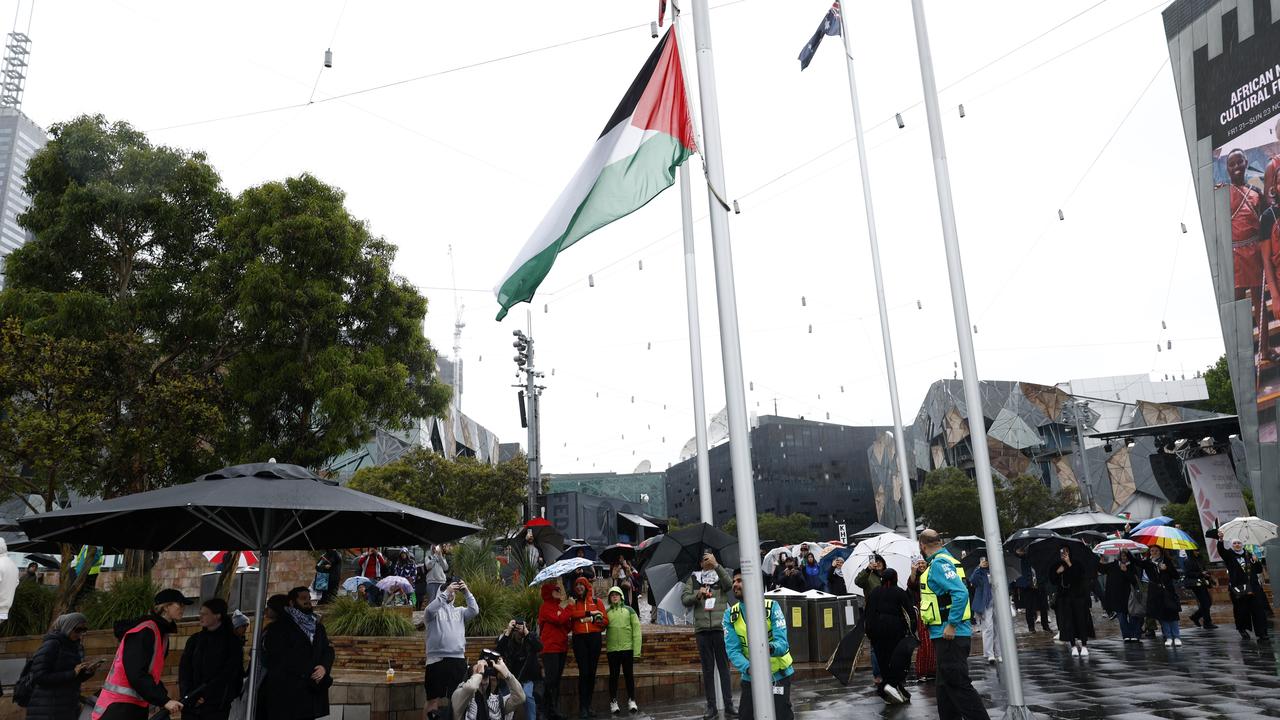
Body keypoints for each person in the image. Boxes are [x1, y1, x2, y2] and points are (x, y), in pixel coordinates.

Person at [918, 529, 990, 720]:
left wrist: (952, 624)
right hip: (947, 635)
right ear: (940, 542)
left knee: (958, 685)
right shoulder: (947, 560)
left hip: (949, 635)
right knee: (944, 688)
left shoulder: (939, 564)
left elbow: (960, 593)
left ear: (922, 546)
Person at [92, 588, 188, 720]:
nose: (183, 608)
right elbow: (136, 673)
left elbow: (151, 675)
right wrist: (164, 700)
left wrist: (164, 698)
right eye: (180, 604)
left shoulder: (161, 633)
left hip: (133, 705)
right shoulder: (145, 631)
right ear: (166, 607)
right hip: (118, 707)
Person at [1222, 147, 1277, 359]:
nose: (1236, 167)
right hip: (1235, 256)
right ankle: (1240, 356)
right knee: (1236, 308)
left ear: (1246, 163)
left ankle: (1264, 349)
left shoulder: (1256, 193)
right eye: (1231, 164)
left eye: (1239, 162)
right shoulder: (1222, 193)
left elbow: (1266, 220)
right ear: (1227, 169)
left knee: (1259, 304)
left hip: (1254, 254)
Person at [722, 570, 794, 720]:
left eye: (740, 580)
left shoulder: (772, 607)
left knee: (781, 716)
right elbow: (733, 650)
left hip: (778, 675)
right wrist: (749, 668)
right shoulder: (730, 615)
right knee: (745, 716)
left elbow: (782, 643)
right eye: (734, 581)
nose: (735, 584)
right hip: (750, 677)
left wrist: (768, 648)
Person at [256, 587, 334, 720]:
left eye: (309, 598)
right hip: (287, 695)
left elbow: (327, 650)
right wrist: (307, 672)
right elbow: (279, 658)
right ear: (292, 603)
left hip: (310, 695)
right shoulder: (279, 628)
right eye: (303, 599)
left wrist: (323, 667)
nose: (308, 602)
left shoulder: (317, 626)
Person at [681, 551, 736, 720]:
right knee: (707, 670)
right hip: (702, 630)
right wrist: (698, 595)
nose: (707, 561)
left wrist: (717, 566)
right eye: (704, 559)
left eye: (709, 558)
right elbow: (685, 599)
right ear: (700, 563)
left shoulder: (721, 575)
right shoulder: (693, 579)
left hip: (720, 628)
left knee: (724, 669)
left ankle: (729, 706)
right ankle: (711, 707)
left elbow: (729, 585)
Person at [179, 598, 245, 720]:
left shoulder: (231, 642)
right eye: (200, 613)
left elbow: (230, 673)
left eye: (205, 614)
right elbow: (184, 670)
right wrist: (189, 694)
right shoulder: (195, 640)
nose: (201, 617)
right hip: (192, 703)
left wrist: (207, 696)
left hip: (217, 705)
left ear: (217, 615)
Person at [27, 612, 98, 720]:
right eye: (77, 630)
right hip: (48, 709)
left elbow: (71, 679)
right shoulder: (52, 644)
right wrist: (72, 673)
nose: (80, 634)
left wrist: (87, 672)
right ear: (68, 627)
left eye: (83, 630)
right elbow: (39, 676)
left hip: (66, 707)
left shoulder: (73, 647)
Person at [426, 578, 480, 720]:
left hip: (458, 660)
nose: (451, 594)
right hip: (436, 660)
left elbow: (474, 610)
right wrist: (446, 592)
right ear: (441, 592)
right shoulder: (433, 611)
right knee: (432, 700)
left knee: (457, 699)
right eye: (448, 591)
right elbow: (429, 609)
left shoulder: (460, 611)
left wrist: (466, 591)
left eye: (453, 592)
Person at [864, 568, 915, 704]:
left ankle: (896, 690)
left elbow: (868, 613)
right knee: (897, 662)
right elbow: (909, 613)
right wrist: (911, 631)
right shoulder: (899, 592)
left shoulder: (874, 592)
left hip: (877, 633)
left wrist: (869, 632)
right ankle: (886, 687)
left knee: (884, 662)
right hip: (895, 632)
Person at [1214, 531, 1270, 643]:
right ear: (1232, 545)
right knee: (1241, 611)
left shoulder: (1249, 554)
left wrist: (1256, 561)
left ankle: (1262, 633)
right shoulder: (1229, 555)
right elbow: (1221, 551)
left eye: (1239, 543)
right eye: (1234, 543)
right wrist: (1220, 540)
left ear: (1242, 544)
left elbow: (1258, 570)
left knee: (1258, 610)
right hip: (1238, 587)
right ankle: (1242, 629)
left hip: (1253, 587)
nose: (1237, 545)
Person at [569, 576, 608, 719]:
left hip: (594, 638)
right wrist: (588, 613)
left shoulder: (597, 602)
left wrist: (593, 619)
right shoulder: (573, 602)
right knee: (584, 672)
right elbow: (572, 614)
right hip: (579, 639)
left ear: (586, 586)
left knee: (592, 673)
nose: (579, 587)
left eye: (581, 584)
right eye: (577, 584)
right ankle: (582, 707)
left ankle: (588, 705)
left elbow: (605, 621)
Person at [538, 582, 573, 720]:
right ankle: (543, 709)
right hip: (550, 648)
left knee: (556, 680)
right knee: (551, 679)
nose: (559, 592)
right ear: (549, 593)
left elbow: (565, 626)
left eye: (559, 590)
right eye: (556, 590)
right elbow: (559, 620)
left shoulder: (558, 607)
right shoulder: (545, 607)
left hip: (561, 647)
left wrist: (567, 617)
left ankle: (553, 710)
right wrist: (569, 607)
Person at [450, 656, 526, 720]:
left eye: (485, 676)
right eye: (479, 674)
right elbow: (471, 687)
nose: (482, 680)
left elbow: (520, 698)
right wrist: (480, 673)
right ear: (470, 678)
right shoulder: (459, 697)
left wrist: (508, 675)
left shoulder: (495, 702)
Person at [604, 586, 642, 715]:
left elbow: (637, 631)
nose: (614, 596)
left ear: (621, 596)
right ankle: (613, 702)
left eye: (617, 594)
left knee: (628, 675)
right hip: (612, 649)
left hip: (627, 649)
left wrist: (636, 651)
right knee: (613, 676)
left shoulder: (630, 610)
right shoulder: (607, 612)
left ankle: (632, 700)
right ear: (609, 598)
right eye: (612, 595)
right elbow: (601, 627)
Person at [496, 618, 542, 720]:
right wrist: (508, 632)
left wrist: (526, 633)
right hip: (509, 678)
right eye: (516, 626)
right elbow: (498, 650)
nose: (518, 628)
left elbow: (539, 647)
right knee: (505, 698)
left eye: (522, 626)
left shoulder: (530, 637)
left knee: (527, 696)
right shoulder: (507, 638)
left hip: (527, 678)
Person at [1052, 546, 1093, 658]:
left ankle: (1084, 645)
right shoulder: (1057, 565)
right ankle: (1073, 645)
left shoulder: (1077, 563)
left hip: (1078, 597)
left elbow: (1079, 577)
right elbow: (1053, 580)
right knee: (1068, 622)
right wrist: (1057, 572)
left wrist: (1069, 563)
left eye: (1066, 552)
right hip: (1064, 598)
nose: (1064, 554)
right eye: (1062, 552)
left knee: (1081, 620)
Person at [1138, 545, 1183, 647]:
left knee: (1173, 614)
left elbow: (1176, 576)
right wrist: (1127, 553)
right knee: (1162, 615)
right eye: (1152, 551)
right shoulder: (1149, 563)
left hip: (1168, 591)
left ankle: (1176, 636)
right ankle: (1168, 637)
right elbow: (1138, 563)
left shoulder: (1166, 561)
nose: (1154, 552)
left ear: (1160, 552)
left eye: (1156, 551)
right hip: (1156, 593)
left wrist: (1166, 569)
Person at [1099, 553, 1142, 641]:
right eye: (1122, 556)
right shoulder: (1113, 565)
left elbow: (1134, 580)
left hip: (1130, 596)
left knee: (1133, 615)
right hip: (1117, 596)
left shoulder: (1131, 566)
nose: (1124, 558)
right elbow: (1102, 569)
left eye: (1125, 556)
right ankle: (1126, 635)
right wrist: (1100, 561)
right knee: (1122, 617)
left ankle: (1135, 635)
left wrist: (1126, 571)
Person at [906, 558, 936, 682]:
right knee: (924, 641)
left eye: (923, 563)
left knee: (934, 640)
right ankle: (923, 671)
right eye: (919, 564)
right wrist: (913, 572)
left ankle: (934, 670)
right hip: (923, 610)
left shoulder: (932, 574)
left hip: (934, 610)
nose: (921, 565)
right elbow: (911, 584)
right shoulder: (915, 578)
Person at [968, 556, 1001, 664]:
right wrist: (979, 568)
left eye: (987, 560)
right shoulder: (979, 572)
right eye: (983, 560)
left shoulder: (996, 569)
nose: (985, 562)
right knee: (988, 628)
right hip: (985, 603)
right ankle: (989, 654)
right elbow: (973, 580)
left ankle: (999, 653)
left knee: (998, 629)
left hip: (998, 602)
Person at [1013, 547, 1050, 632]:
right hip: (1027, 586)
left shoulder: (1039, 556)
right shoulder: (1022, 558)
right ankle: (1031, 627)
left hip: (1040, 585)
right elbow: (1016, 557)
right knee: (1029, 607)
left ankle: (1045, 626)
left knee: (1043, 606)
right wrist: (1018, 552)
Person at [1183, 548, 1217, 630]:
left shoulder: (1199, 559)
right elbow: (1188, 573)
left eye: (1198, 550)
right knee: (1205, 602)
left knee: (1208, 602)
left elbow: (1204, 568)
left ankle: (1195, 617)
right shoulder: (1188, 561)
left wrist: (1206, 573)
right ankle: (1207, 622)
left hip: (1203, 583)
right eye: (1195, 550)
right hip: (1196, 584)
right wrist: (1200, 573)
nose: (1197, 552)